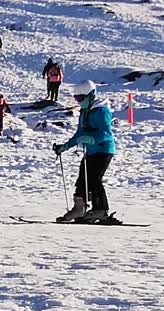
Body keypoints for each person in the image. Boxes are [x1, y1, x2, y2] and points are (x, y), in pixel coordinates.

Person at [53, 80, 114, 223]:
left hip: (104, 150)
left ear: (91, 95)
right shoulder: (84, 112)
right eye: (77, 99)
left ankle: (101, 210)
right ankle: (79, 209)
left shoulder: (102, 110)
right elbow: (79, 134)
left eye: (81, 98)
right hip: (91, 152)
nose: (79, 102)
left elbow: (105, 133)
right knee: (82, 180)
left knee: (95, 179)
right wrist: (65, 146)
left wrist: (92, 139)